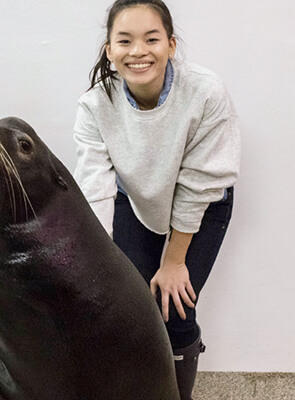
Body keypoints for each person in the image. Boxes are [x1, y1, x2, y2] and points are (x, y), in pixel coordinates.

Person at [72, 1, 240, 398]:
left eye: (151, 39)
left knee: (173, 310)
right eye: (125, 41)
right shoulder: (94, 105)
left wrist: (174, 260)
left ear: (171, 45)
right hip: (137, 200)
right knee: (131, 310)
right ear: (110, 50)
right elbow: (95, 189)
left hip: (204, 203)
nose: (138, 51)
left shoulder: (206, 92)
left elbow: (200, 182)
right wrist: (97, 265)